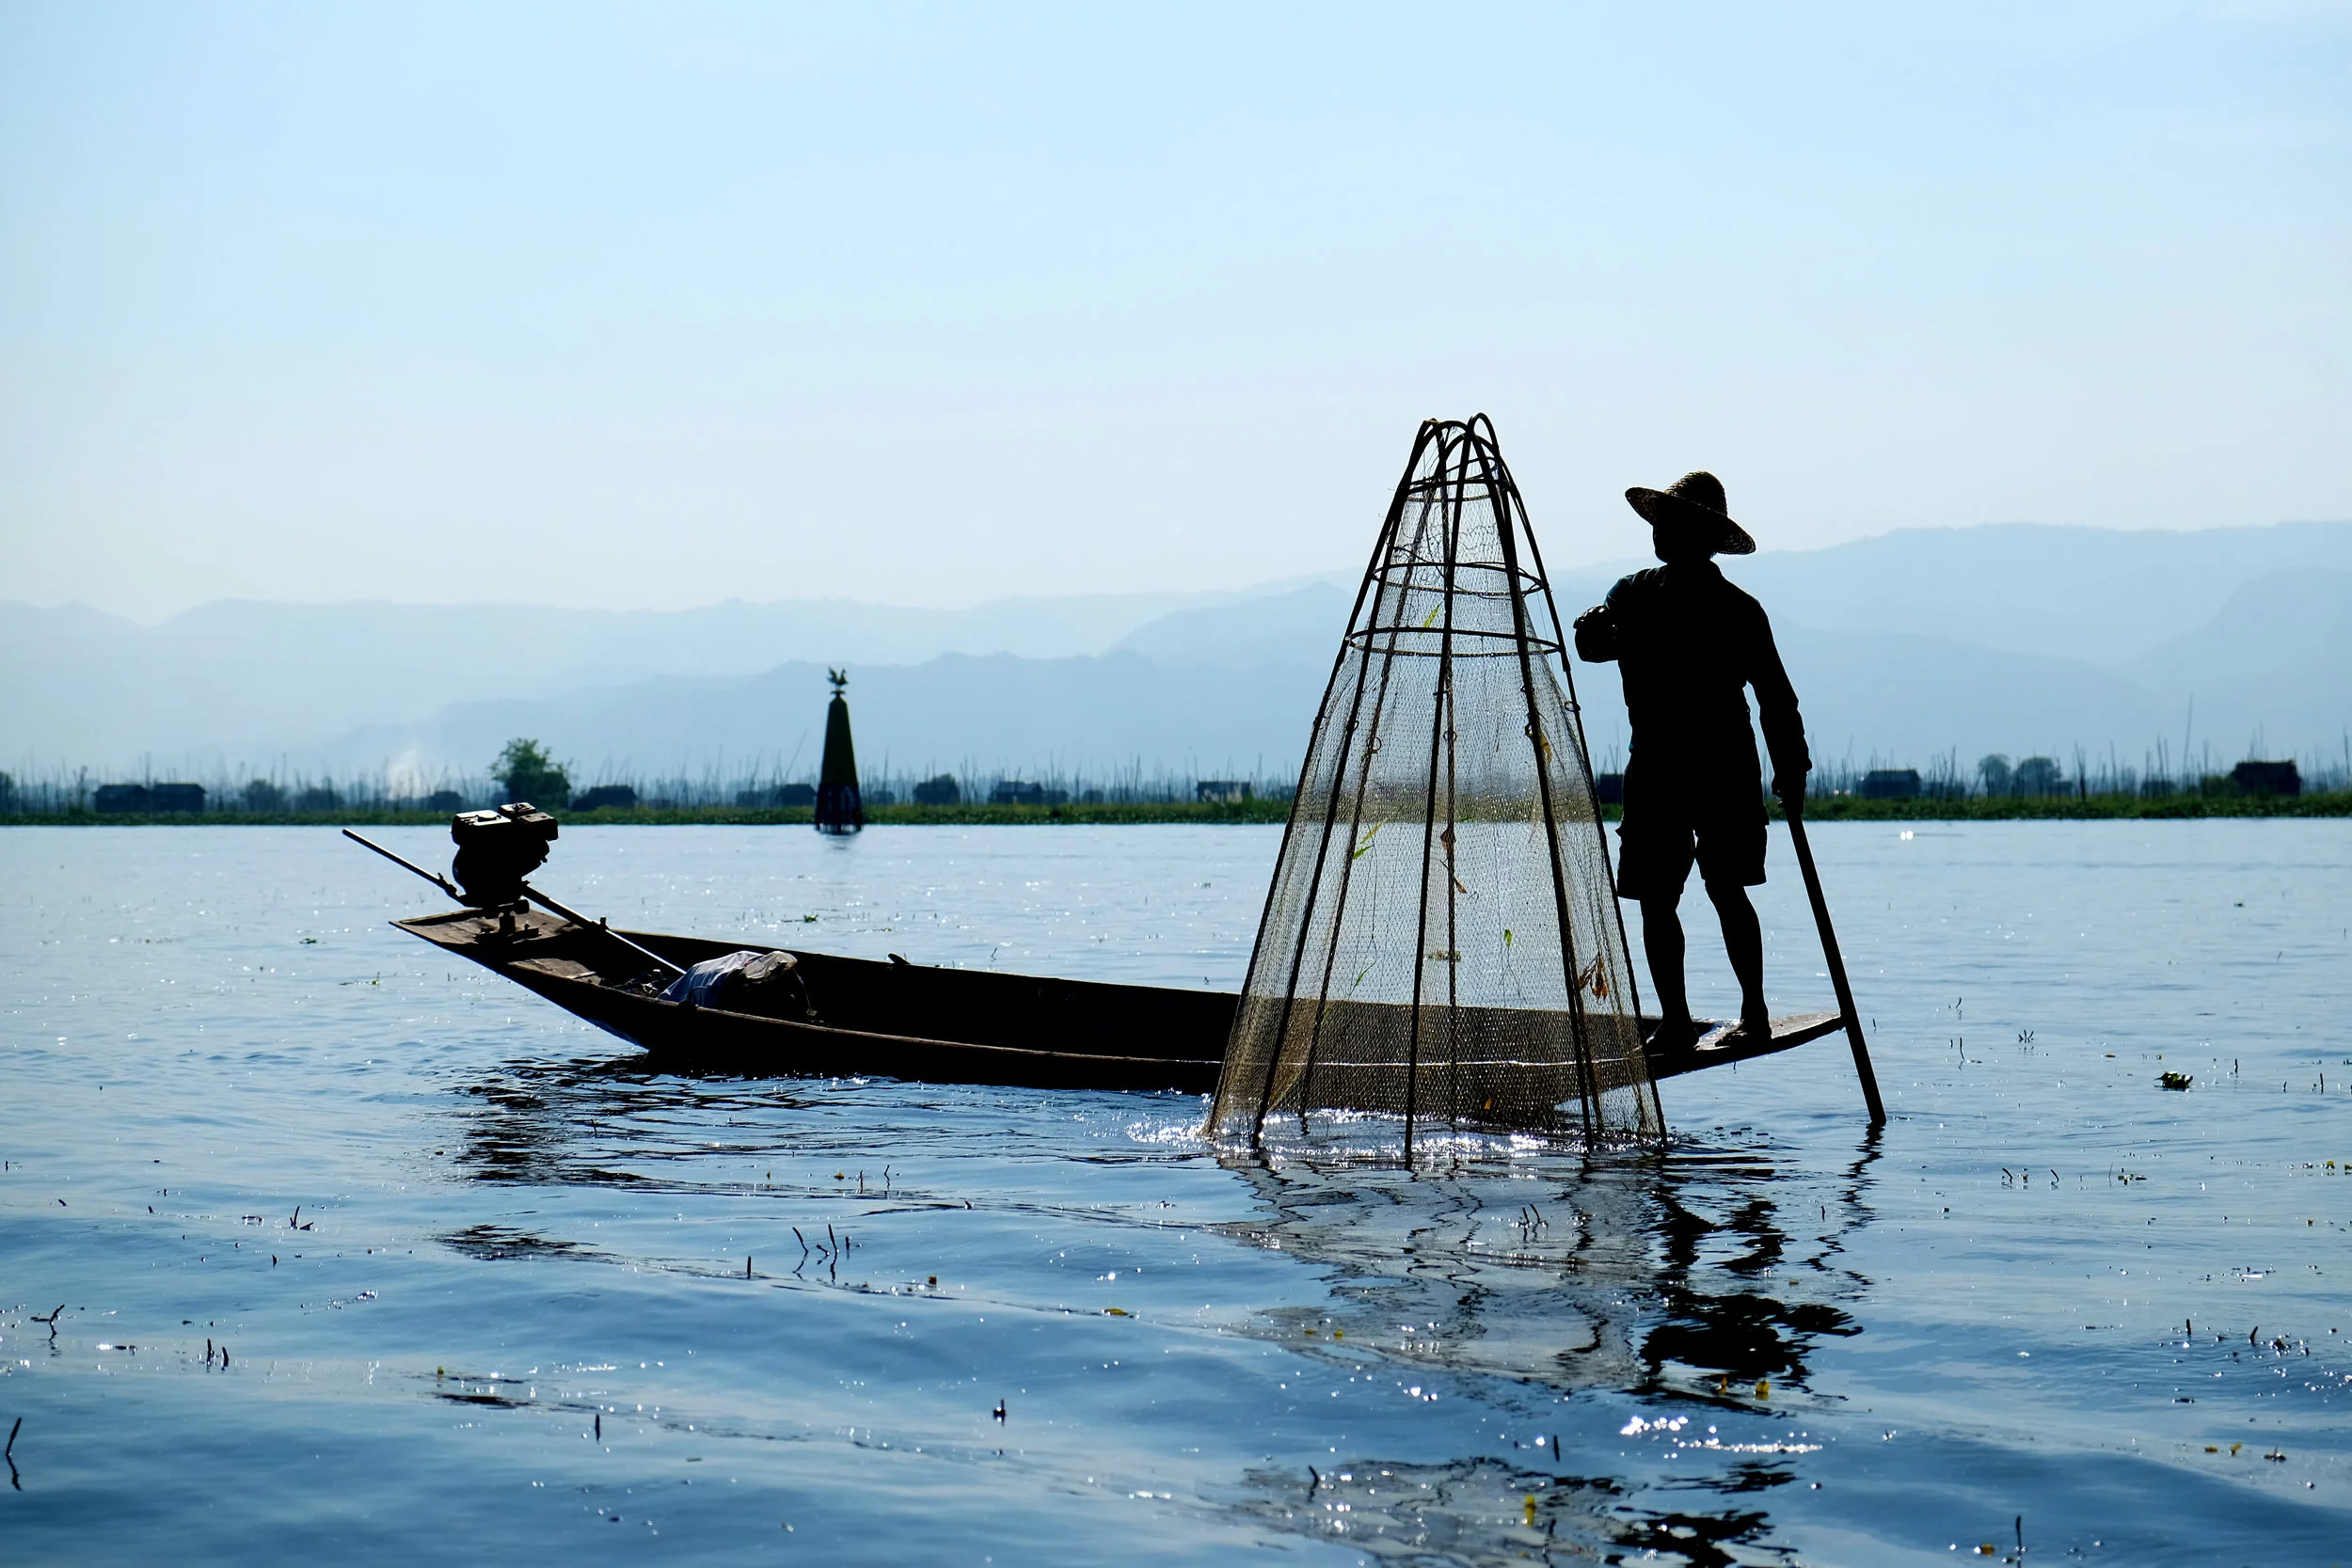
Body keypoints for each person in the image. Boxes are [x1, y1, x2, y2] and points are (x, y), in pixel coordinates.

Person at [1572, 471, 1809, 1050]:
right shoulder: (1633, 596)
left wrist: (1791, 769)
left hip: (1715, 769)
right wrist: (1590, 630)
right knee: (1662, 897)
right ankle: (1677, 1020)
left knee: (1722, 891)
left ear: (1698, 537)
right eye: (1661, 524)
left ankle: (1751, 1012)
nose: (1660, 534)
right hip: (1661, 769)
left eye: (1672, 525)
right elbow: (1594, 650)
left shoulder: (1731, 609)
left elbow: (1774, 696)